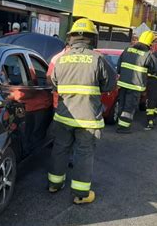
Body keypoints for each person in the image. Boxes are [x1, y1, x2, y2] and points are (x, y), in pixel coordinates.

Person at [48, 18, 116, 204]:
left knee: (60, 150)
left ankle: (55, 184)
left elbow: (53, 83)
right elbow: (110, 84)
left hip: (63, 116)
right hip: (88, 120)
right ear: (93, 39)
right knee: (84, 153)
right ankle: (80, 194)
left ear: (71, 38)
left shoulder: (61, 59)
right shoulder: (99, 59)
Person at [116, 30, 157, 134]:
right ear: (150, 43)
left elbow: (119, 67)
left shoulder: (127, 50)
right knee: (129, 107)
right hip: (136, 86)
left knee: (121, 105)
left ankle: (120, 123)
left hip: (122, 84)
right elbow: (156, 68)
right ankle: (123, 128)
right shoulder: (147, 54)